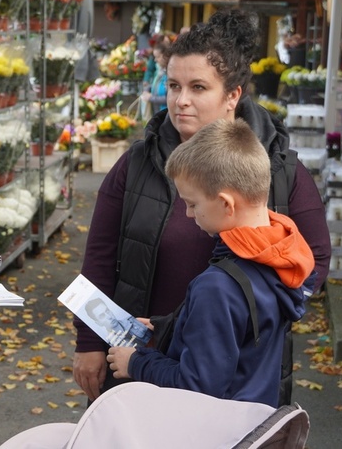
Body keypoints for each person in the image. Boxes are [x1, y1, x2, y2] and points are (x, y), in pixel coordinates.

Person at [72, 8, 331, 404]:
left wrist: (253, 316)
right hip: (140, 359)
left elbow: (314, 257)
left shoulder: (278, 167)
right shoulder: (138, 162)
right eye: (173, 86)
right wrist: (90, 342)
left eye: (198, 87)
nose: (181, 101)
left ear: (232, 96)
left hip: (235, 380)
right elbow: (100, 259)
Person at [106, 118, 314, 407]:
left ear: (227, 204)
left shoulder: (217, 287)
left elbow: (197, 387)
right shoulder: (280, 255)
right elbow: (239, 336)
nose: (189, 215)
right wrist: (170, 326)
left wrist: (137, 362)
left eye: (192, 204)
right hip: (252, 421)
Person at [83, 297, 149, 345]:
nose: (109, 316)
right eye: (102, 316)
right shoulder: (111, 344)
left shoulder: (132, 320)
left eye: (107, 311)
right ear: (98, 323)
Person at [140, 35, 171, 114]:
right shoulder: (161, 71)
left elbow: (169, 98)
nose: (155, 60)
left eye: (157, 57)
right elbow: (155, 85)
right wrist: (147, 89)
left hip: (166, 115)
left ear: (165, 56)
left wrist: (151, 98)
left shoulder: (170, 74)